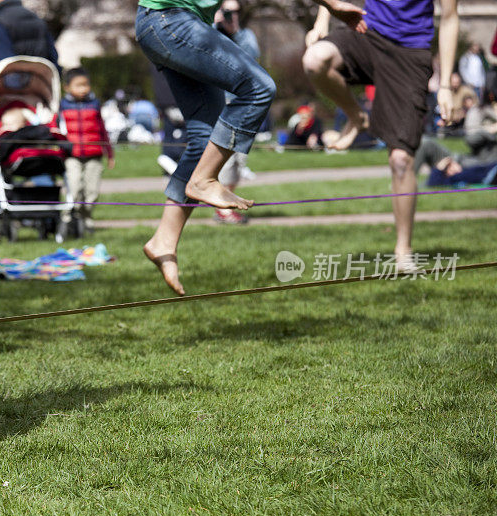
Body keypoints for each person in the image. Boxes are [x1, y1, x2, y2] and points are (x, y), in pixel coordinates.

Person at [136, 0, 365, 295]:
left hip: (166, 23)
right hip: (170, 20)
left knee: (206, 138)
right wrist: (331, 6)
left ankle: (163, 241)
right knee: (258, 87)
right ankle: (204, 180)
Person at [302, 0, 459, 272]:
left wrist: (445, 85)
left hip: (410, 53)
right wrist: (321, 23)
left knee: (400, 160)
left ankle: (403, 252)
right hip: (367, 33)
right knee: (315, 60)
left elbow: (449, 17)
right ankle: (357, 117)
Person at [0, 0, 60, 197]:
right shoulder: (37, 20)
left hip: (6, 101)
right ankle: (47, 208)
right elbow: (53, 59)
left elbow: (3, 63)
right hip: (37, 103)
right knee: (39, 155)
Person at [213, 0, 260, 225]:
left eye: (235, 11)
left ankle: (224, 206)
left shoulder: (245, 35)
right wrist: (214, 24)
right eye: (227, 11)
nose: (231, 15)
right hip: (220, 106)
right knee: (224, 159)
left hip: (243, 105)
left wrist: (235, 31)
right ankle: (222, 208)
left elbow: (252, 56)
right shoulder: (210, 32)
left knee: (239, 160)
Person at [59, 68, 114, 236]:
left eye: (86, 85)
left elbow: (102, 129)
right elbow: (57, 132)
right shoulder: (61, 106)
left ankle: (87, 218)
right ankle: (68, 218)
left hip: (94, 154)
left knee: (92, 192)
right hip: (72, 155)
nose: (83, 89)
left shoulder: (94, 104)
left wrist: (109, 152)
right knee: (74, 188)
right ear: (67, 87)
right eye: (78, 85)